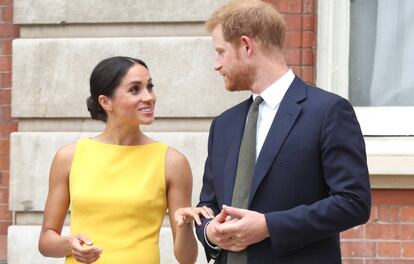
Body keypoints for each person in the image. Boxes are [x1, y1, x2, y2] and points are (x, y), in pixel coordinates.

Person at [196, 1, 371, 263]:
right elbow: (207, 205)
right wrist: (209, 232)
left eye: (220, 52)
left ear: (246, 46)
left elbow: (352, 202)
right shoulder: (223, 125)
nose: (216, 65)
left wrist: (269, 225)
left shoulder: (328, 112)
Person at [38, 56, 214, 264]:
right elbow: (46, 241)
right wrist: (69, 244)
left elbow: (187, 259)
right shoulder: (69, 157)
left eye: (150, 87)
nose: (149, 97)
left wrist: (184, 225)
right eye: (135, 89)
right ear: (105, 102)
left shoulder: (172, 162)